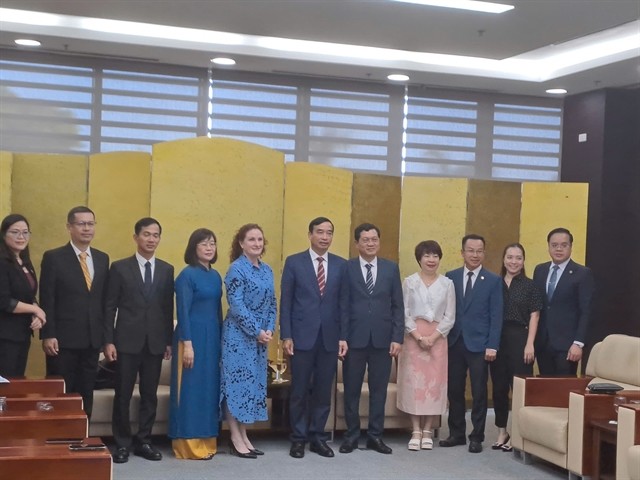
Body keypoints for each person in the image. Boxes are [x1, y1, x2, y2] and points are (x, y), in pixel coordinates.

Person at [104, 218, 174, 464]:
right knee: (122, 394)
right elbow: (110, 307)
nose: (151, 239)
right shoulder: (120, 267)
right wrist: (108, 341)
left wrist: (168, 340)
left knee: (149, 395)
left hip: (155, 343)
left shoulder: (167, 269)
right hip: (126, 341)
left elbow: (167, 308)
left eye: (156, 235)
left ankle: (144, 440)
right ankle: (122, 443)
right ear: (136, 237)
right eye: (146, 234)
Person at [280, 217, 348, 459]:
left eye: (329, 232)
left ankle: (318, 437)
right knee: (299, 390)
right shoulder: (294, 262)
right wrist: (286, 334)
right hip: (300, 337)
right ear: (310, 234)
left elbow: (343, 304)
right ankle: (298, 439)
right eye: (320, 232)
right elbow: (286, 302)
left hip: (329, 338)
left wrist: (343, 337)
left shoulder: (341, 265)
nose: (325, 237)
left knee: (322, 390)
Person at [339, 223, 404, 455]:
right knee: (352, 391)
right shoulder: (347, 268)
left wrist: (397, 338)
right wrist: (342, 337)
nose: (370, 243)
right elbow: (343, 306)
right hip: (354, 340)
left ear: (379, 241)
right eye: (365, 240)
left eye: (374, 239)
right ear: (357, 243)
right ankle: (351, 436)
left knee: (379, 391)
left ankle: (376, 437)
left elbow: (398, 306)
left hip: (383, 340)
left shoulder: (391, 268)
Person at [40, 206, 110, 417]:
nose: (86, 229)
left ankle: (81, 439)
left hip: (91, 340)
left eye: (91, 224)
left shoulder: (102, 258)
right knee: (61, 392)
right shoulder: (54, 257)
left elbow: (104, 302)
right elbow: (47, 298)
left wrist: (106, 338)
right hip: (62, 340)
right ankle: (58, 440)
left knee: (85, 392)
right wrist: (48, 334)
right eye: (81, 224)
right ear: (69, 227)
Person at [440, 234, 502, 454]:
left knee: (478, 392)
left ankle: (476, 436)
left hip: (480, 345)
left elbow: (496, 316)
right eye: (470, 250)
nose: (475, 255)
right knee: (455, 390)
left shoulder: (493, 280)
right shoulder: (451, 277)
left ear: (484, 253)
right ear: (462, 252)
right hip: (454, 342)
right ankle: (456, 433)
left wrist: (492, 345)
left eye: (479, 251)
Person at [221, 224, 276, 459]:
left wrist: (269, 329)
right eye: (251, 239)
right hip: (238, 337)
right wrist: (256, 331)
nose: (256, 243)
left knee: (251, 387)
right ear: (241, 243)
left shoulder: (267, 270)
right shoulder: (236, 269)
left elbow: (273, 302)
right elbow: (237, 305)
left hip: (260, 339)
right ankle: (234, 436)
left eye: (260, 239)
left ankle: (244, 435)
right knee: (236, 386)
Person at [396, 240, 455, 451]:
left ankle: (428, 429)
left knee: (434, 385)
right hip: (413, 339)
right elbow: (404, 313)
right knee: (414, 384)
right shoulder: (409, 282)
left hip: (438, 339)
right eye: (427, 256)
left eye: (435, 256)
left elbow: (450, 316)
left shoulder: (447, 284)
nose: (431, 260)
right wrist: (418, 337)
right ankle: (415, 430)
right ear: (419, 259)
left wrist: (433, 337)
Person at [169, 228, 222, 460]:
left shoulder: (216, 275)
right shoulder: (186, 276)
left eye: (212, 243)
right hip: (191, 339)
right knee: (190, 391)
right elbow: (183, 312)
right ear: (194, 248)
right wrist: (187, 344)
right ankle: (188, 444)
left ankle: (207, 440)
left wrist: (221, 343)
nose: (209, 248)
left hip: (212, 340)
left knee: (208, 390)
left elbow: (218, 312)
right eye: (204, 244)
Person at [489, 243, 543, 452]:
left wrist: (530, 344)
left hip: (520, 337)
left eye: (518, 258)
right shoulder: (495, 283)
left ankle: (518, 433)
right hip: (497, 338)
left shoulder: (531, 286)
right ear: (503, 259)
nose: (513, 261)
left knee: (519, 388)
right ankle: (502, 431)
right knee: (499, 388)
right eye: (510, 257)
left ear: (523, 261)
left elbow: (535, 315)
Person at [533, 228, 594, 376]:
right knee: (545, 391)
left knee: (564, 392)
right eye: (554, 245)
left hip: (568, 346)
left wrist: (578, 343)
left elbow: (586, 311)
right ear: (548, 246)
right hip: (543, 343)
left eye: (563, 245)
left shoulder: (582, 273)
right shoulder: (540, 270)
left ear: (571, 246)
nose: (558, 249)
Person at [0, 214, 46, 377]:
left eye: (25, 232)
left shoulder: (24, 261)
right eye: (15, 232)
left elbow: (28, 294)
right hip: (5, 336)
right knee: (5, 386)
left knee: (16, 383)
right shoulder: (2, 262)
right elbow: (4, 301)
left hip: (21, 334)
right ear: (4, 234)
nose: (21, 237)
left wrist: (35, 310)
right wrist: (38, 311)